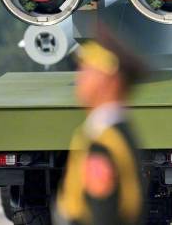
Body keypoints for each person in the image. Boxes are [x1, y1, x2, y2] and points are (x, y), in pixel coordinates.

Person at [55, 28, 146, 225]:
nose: (80, 78)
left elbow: (102, 215)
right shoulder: (114, 133)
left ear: (110, 80)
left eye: (88, 70)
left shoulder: (104, 144)